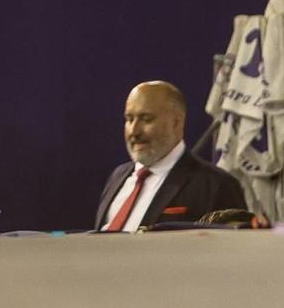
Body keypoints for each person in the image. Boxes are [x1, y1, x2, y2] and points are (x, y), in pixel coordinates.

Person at [94, 81, 247, 231]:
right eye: (129, 119)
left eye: (146, 119)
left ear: (176, 123)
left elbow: (232, 251)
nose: (134, 131)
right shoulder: (117, 177)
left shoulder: (216, 185)